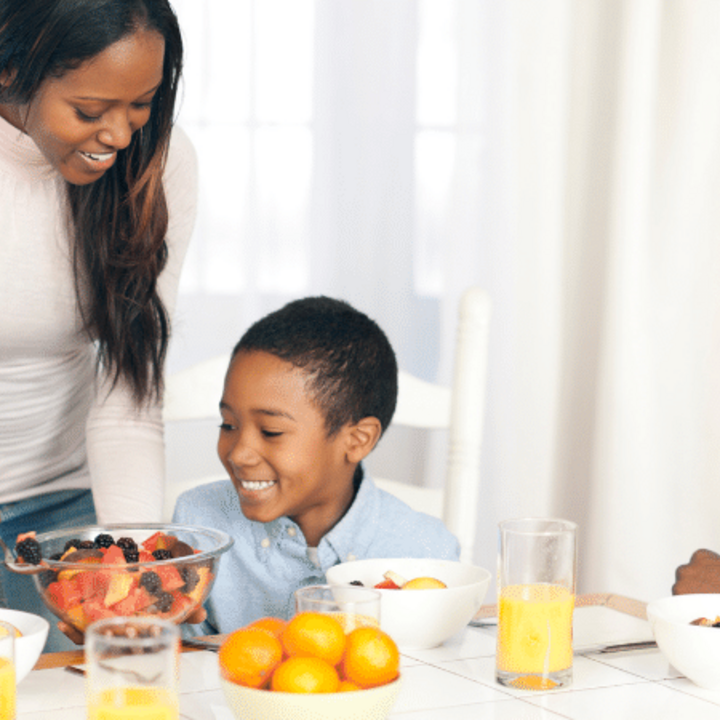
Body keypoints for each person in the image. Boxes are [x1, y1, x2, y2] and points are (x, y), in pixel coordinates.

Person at [0, 0, 198, 650]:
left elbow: (128, 400)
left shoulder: (154, 166)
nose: (119, 134)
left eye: (141, 103)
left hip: (60, 518)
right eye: (89, 111)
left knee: (119, 673)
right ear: (9, 67)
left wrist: (139, 570)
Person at [173, 296, 461, 634]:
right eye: (228, 424)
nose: (239, 454)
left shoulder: (423, 552)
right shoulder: (199, 524)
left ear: (357, 440)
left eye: (271, 431)